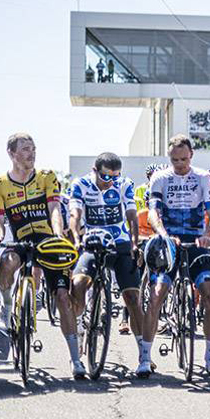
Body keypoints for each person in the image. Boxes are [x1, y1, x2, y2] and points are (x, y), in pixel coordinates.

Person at [0, 134, 81, 377]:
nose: (32, 153)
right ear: (12, 153)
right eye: (26, 149)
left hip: (46, 238)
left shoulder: (46, 177)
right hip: (19, 240)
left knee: (63, 296)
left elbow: (54, 209)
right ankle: (8, 305)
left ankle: (75, 359)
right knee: (7, 264)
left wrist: (58, 234)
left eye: (33, 148)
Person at [139, 135, 210, 378]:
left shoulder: (203, 177)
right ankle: (144, 357)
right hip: (169, 240)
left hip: (197, 239)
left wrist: (208, 234)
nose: (180, 164)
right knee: (156, 295)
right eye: (175, 160)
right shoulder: (160, 178)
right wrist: (163, 234)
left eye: (184, 159)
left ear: (192, 155)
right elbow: (154, 212)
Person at [68, 153, 146, 367]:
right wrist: (76, 239)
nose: (110, 181)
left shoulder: (124, 184)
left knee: (132, 298)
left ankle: (144, 355)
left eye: (115, 176)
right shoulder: (81, 184)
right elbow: (75, 214)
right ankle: (79, 327)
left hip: (119, 244)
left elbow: (132, 216)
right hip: (91, 243)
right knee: (78, 284)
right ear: (95, 170)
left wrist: (135, 243)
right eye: (105, 177)